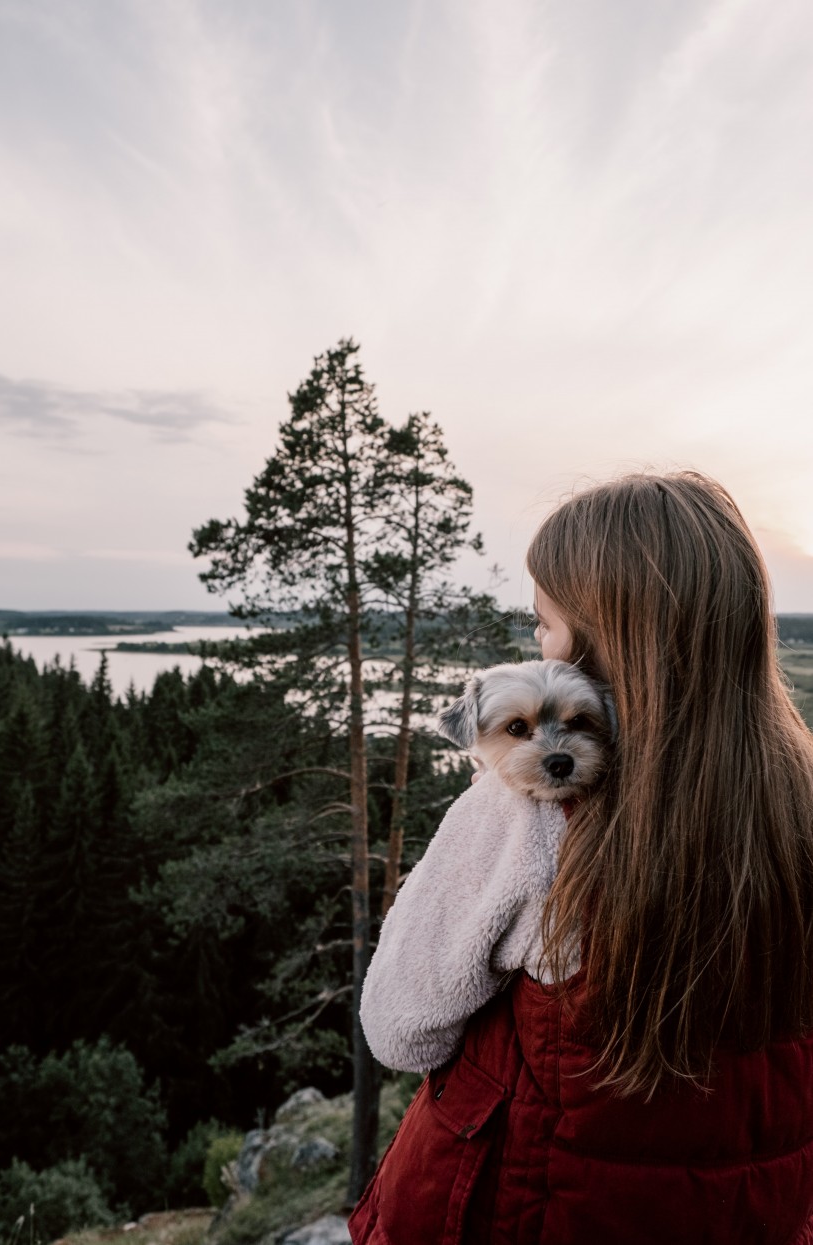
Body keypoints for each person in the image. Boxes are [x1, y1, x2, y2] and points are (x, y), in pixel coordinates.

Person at [348, 471, 813, 1245]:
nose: (539, 642)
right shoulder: (794, 801)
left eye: (544, 625)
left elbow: (401, 1028)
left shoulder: (527, 815)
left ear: (604, 639)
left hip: (536, 1209)